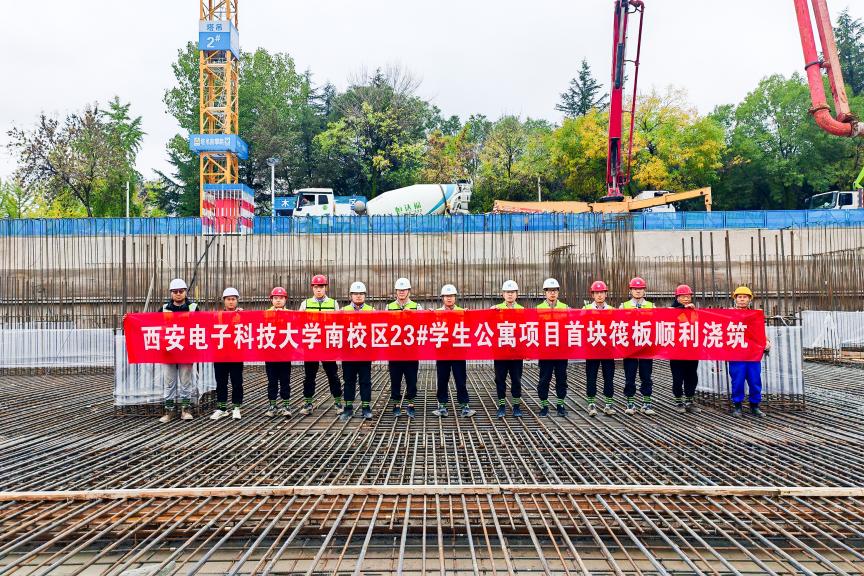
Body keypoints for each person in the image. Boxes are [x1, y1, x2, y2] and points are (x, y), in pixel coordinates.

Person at [299, 275, 344, 416]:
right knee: (309, 375)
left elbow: (338, 323)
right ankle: (308, 403)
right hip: (311, 345)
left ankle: (338, 402)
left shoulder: (333, 303)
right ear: (312, 288)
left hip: (327, 346)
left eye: (321, 287)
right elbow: (299, 324)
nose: (319, 290)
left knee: (332, 374)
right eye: (316, 287)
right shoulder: (305, 304)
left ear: (326, 288)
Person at [433, 284, 476, 418]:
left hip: (458, 352)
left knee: (460, 379)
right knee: (442, 379)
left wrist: (469, 316)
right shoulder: (436, 313)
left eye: (451, 296)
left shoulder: (463, 312)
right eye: (446, 296)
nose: (449, 298)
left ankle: (464, 405)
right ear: (442, 298)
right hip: (443, 352)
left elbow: (471, 328)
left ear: (455, 297)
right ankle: (442, 405)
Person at [159, 278, 198, 423]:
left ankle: (185, 409)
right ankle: (169, 411)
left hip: (186, 351)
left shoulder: (193, 308)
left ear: (185, 292)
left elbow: (203, 325)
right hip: (168, 351)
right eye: (175, 291)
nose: (178, 294)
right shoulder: (164, 309)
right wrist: (129, 319)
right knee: (169, 382)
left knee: (185, 382)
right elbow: (151, 324)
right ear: (171, 293)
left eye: (181, 291)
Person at [729, 286, 771, 417]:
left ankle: (755, 406)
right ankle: (737, 406)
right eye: (739, 297)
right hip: (736, 354)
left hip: (752, 354)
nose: (742, 299)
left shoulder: (755, 315)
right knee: (737, 381)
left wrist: (766, 341)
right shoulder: (728, 314)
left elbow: (760, 331)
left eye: (745, 297)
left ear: (749, 300)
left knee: (755, 380)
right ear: (735, 299)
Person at [387, 277, 423, 418]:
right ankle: (396, 404)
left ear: (409, 291)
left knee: (411, 378)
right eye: (399, 290)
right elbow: (385, 325)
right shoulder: (389, 307)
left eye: (404, 290)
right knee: (395, 378)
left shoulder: (416, 307)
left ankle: (411, 404)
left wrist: (412, 315)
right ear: (396, 291)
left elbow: (422, 325)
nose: (401, 292)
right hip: (394, 351)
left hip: (411, 351)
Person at [620, 277, 656, 415]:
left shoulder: (651, 306)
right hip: (630, 347)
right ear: (631, 290)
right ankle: (630, 402)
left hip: (646, 346)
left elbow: (657, 323)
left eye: (640, 289)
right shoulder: (624, 306)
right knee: (630, 375)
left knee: (646, 375)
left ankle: (647, 403)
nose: (638, 291)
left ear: (644, 290)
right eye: (635, 289)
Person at [341, 281, 374, 421]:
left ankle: (366, 408)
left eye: (361, 294)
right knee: (349, 380)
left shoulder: (371, 311)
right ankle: (348, 408)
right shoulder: (343, 311)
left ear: (365, 295)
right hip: (348, 353)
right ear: (351, 295)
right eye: (355, 294)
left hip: (365, 353)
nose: (358, 296)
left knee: (365, 381)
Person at [210, 287, 244, 420]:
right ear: (224, 301)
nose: (231, 302)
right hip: (220, 354)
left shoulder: (242, 315)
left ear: (237, 301)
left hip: (236, 354)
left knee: (237, 382)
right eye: (228, 299)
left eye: (233, 299)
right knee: (221, 382)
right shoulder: (217, 315)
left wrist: (243, 316)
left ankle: (236, 407)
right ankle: (222, 408)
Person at [536, 278, 569, 417]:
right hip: (545, 351)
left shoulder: (565, 308)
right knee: (544, 379)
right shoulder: (538, 309)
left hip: (561, 351)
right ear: (545, 292)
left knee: (561, 378)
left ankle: (560, 404)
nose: (552, 293)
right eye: (549, 291)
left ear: (558, 292)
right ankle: (544, 405)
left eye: (554, 290)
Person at [583, 280, 616, 416]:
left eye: (602, 292)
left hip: (608, 350)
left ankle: (608, 404)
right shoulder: (586, 309)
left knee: (609, 376)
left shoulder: (612, 310)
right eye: (597, 293)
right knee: (591, 376)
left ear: (606, 294)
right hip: (592, 349)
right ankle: (591, 403)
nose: (599, 295)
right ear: (593, 295)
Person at [493, 280, 524, 419]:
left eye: (512, 292)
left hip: (516, 352)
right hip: (501, 351)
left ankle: (516, 405)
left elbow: (526, 330)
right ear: (503, 294)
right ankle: (501, 405)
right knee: (500, 379)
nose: (510, 295)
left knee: (516, 379)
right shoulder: (496, 309)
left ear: (517, 294)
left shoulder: (522, 310)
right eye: (507, 292)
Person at [669, 284, 701, 415]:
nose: (686, 299)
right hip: (676, 352)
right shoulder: (671, 310)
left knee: (692, 377)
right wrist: (682, 309)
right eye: (683, 296)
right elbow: (673, 319)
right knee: (677, 378)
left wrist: (692, 311)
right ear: (677, 297)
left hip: (692, 351)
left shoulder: (694, 311)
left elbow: (696, 325)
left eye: (688, 296)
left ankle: (689, 401)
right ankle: (679, 401)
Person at [265, 286, 292, 417]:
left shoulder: (291, 314)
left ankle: (286, 405)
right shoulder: (266, 314)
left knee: (285, 380)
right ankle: (272, 405)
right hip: (270, 353)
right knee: (272, 381)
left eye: (281, 298)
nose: (278, 300)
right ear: (272, 300)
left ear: (285, 299)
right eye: (275, 298)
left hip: (285, 353)